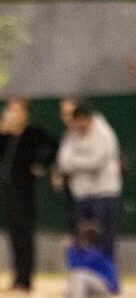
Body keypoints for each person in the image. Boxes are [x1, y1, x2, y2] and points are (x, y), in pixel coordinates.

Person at [0, 97, 57, 292]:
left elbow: (54, 147)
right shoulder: (7, 136)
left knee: (25, 235)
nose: (12, 115)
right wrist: (1, 132)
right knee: (13, 236)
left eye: (16, 111)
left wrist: (41, 164)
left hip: (25, 192)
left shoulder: (33, 133)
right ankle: (17, 277)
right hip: (8, 192)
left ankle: (25, 279)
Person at [55, 104, 121, 258]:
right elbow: (63, 161)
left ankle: (105, 271)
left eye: (83, 122)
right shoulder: (71, 134)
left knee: (104, 241)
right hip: (81, 196)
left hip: (104, 195)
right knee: (82, 241)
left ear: (89, 119)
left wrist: (74, 163)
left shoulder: (104, 134)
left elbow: (96, 162)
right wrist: (79, 163)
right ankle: (86, 270)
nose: (80, 126)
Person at [59, 220, 121, 298]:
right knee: (76, 276)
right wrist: (71, 249)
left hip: (104, 287)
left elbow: (78, 267)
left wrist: (114, 289)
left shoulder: (99, 253)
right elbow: (73, 267)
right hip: (90, 286)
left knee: (80, 275)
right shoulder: (79, 252)